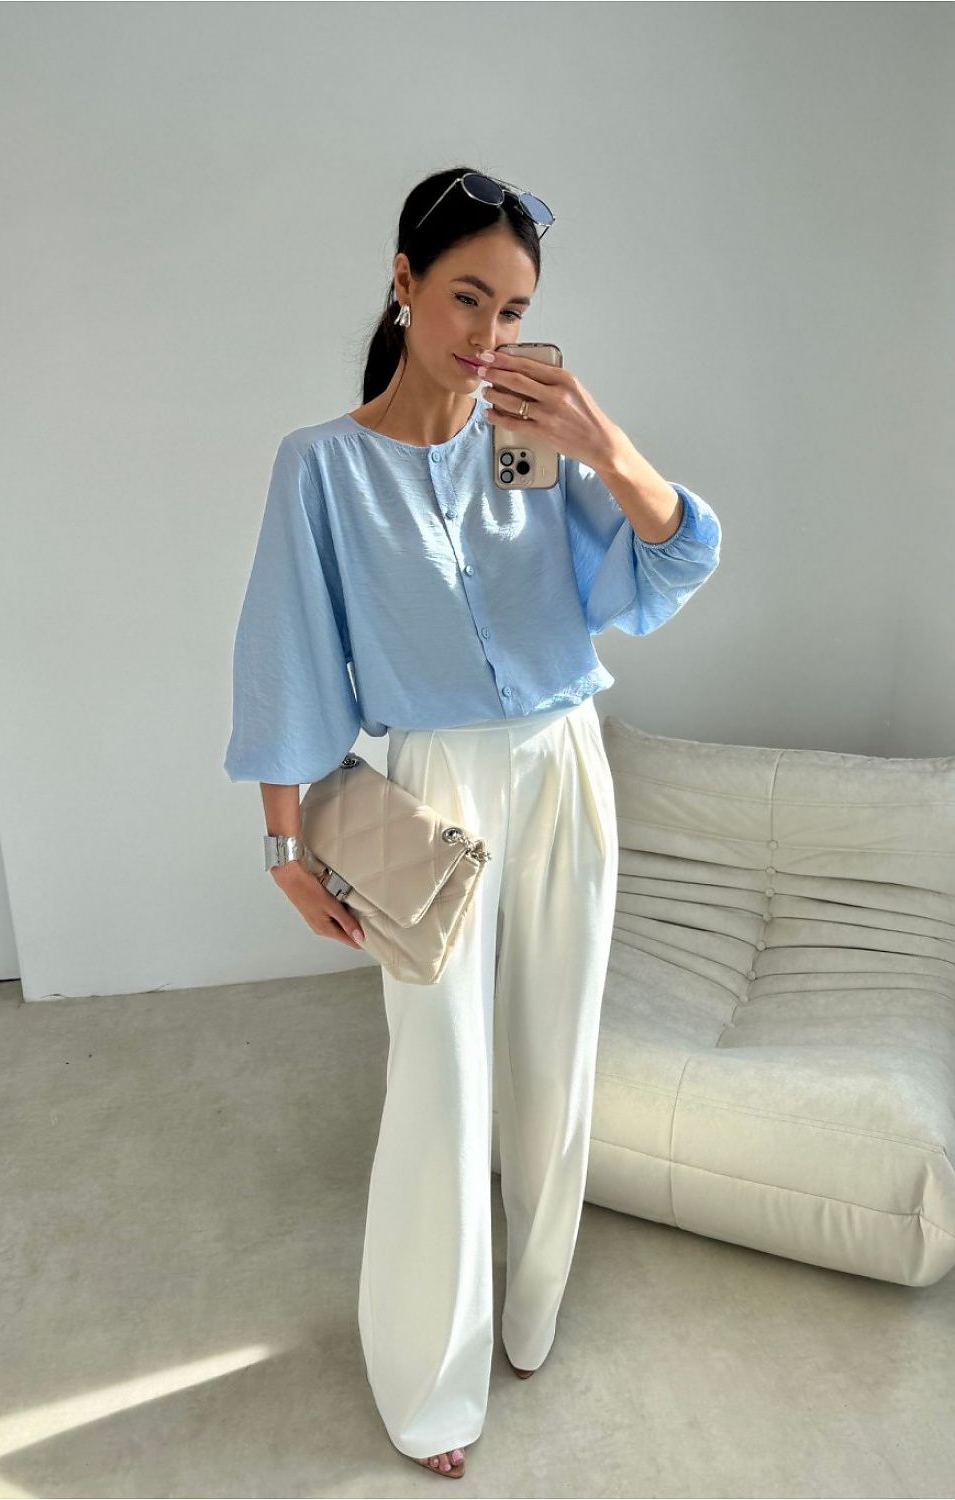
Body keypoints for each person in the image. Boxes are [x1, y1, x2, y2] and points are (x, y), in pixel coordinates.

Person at [223, 165, 723, 1479]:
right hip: (431, 786)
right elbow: (287, 662)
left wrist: (604, 442)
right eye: (464, 297)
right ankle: (430, 1385)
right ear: (402, 281)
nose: (489, 336)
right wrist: (287, 847)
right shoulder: (321, 468)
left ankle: (531, 1310)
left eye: (513, 309)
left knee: (556, 1064)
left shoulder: (538, 445)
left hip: (568, 762)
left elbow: (673, 559)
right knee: (437, 1081)